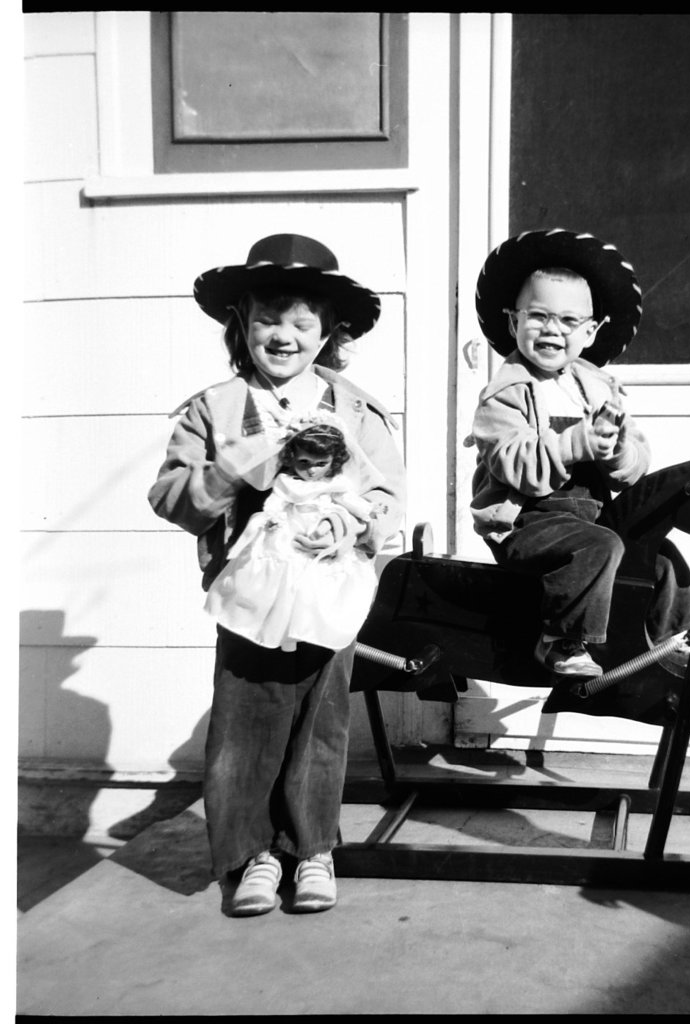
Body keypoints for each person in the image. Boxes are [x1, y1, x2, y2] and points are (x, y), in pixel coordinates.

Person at [148, 233, 405, 916]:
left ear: (329, 333)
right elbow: (170, 496)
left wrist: (351, 524)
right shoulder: (214, 409)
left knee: (322, 720)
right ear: (242, 325)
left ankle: (312, 848)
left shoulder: (358, 410)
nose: (283, 336)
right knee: (246, 723)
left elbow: (386, 500)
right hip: (251, 592)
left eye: (301, 322)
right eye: (267, 319)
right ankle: (252, 856)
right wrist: (229, 468)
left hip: (329, 589)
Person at [467, 228, 690, 686]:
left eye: (567, 321)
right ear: (512, 322)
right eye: (537, 316)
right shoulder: (504, 393)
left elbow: (636, 463)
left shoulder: (598, 387)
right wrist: (577, 444)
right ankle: (561, 639)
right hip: (529, 520)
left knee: (658, 552)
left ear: (591, 331)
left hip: (593, 515)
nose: (551, 330)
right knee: (599, 546)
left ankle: (674, 637)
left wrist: (615, 448)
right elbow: (512, 464)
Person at [204, 413, 387, 653]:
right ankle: (280, 632)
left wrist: (368, 511)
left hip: (321, 532)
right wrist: (273, 518)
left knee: (313, 587)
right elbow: (277, 502)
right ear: (292, 460)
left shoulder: (334, 484)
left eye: (321, 464)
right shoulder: (287, 483)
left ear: (334, 461)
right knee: (279, 583)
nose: (312, 471)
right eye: (304, 463)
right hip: (289, 532)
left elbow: (350, 501)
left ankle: (305, 632)